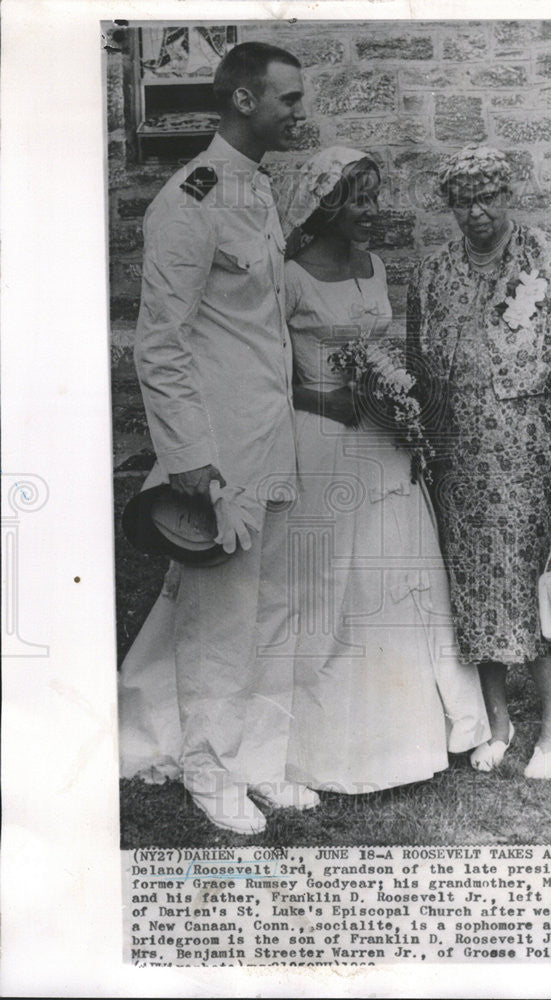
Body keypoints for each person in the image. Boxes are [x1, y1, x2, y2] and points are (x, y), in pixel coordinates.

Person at [119, 42, 319, 834]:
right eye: (290, 99)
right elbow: (159, 343)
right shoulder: (189, 198)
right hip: (218, 449)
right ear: (243, 100)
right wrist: (190, 460)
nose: (299, 112)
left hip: (268, 437)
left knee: (269, 609)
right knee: (220, 617)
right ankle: (207, 766)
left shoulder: (254, 188)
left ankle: (256, 760)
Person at [278, 146, 490, 794]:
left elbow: (383, 351)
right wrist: (327, 399)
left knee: (406, 576)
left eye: (373, 197)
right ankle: (328, 744)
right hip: (321, 438)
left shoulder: (372, 268)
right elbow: (270, 375)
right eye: (356, 200)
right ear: (325, 205)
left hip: (381, 438)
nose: (370, 212)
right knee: (338, 584)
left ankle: (438, 725)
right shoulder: (287, 275)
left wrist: (395, 399)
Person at [407, 144, 551, 780]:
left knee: (531, 583)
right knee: (473, 586)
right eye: (463, 201)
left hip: (531, 453)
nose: (477, 211)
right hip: (460, 458)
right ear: (451, 207)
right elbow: (418, 372)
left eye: (488, 196)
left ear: (507, 195)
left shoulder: (548, 256)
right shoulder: (432, 274)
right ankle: (496, 720)